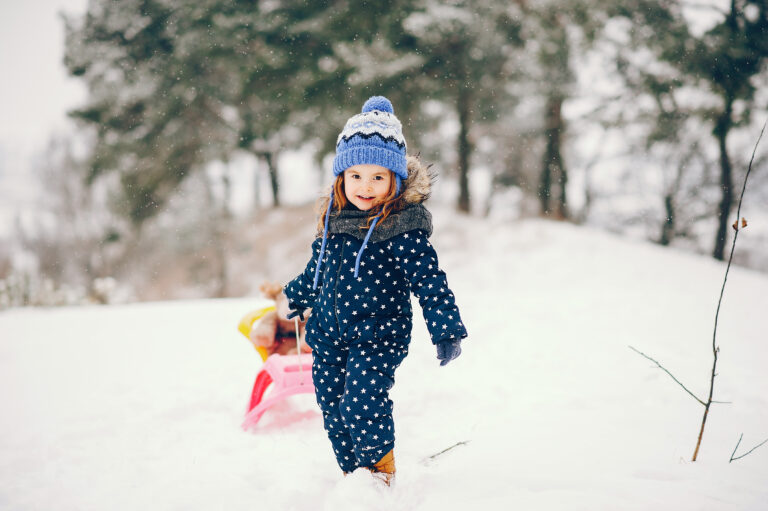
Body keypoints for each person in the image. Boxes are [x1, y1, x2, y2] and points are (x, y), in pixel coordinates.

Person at [283, 96, 467, 485]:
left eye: (378, 177)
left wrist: (446, 327)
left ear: (395, 180)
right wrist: (298, 293)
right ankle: (355, 478)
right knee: (332, 407)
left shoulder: (401, 227)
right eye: (356, 176)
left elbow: (429, 281)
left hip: (378, 334)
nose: (365, 186)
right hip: (330, 335)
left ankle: (380, 476)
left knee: (361, 403)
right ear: (341, 178)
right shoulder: (333, 219)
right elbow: (318, 269)